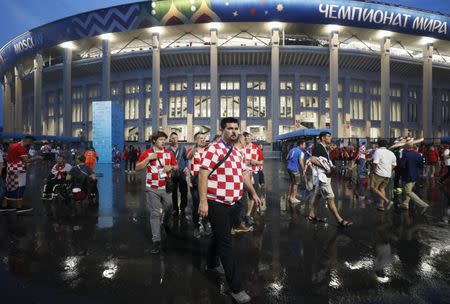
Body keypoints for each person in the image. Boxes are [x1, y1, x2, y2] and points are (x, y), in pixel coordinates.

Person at [198, 117, 262, 304]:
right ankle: (236, 288)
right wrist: (203, 202)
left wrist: (253, 193)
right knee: (226, 243)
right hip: (216, 202)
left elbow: (243, 174)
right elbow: (203, 174)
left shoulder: (237, 152)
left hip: (233, 202)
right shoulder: (214, 149)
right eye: (229, 128)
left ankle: (210, 263)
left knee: (220, 235)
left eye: (236, 128)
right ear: (222, 130)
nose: (234, 131)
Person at [136, 131, 178, 254]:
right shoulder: (147, 153)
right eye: (160, 139)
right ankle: (156, 241)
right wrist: (148, 159)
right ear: (154, 140)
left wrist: (170, 167)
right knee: (155, 213)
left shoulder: (168, 153)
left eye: (164, 139)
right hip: (151, 188)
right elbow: (138, 167)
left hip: (166, 187)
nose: (163, 142)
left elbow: (176, 167)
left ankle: (165, 222)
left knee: (170, 208)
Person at [308, 131, 352, 227]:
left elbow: (324, 161)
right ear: (323, 138)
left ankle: (311, 214)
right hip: (322, 177)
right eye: (328, 136)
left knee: (317, 196)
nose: (330, 138)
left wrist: (331, 167)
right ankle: (340, 220)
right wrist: (326, 168)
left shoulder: (324, 148)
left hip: (323, 177)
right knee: (331, 198)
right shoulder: (318, 147)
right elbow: (312, 159)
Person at [1, 136, 43, 213]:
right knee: (20, 187)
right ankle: (19, 207)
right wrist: (37, 158)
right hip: (18, 171)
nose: (31, 144)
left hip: (10, 169)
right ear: (28, 141)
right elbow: (27, 161)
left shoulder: (12, 145)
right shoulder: (21, 148)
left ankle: (4, 206)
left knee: (9, 188)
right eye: (31, 142)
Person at [187, 132, 209, 238]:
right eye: (200, 138)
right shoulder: (193, 150)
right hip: (195, 181)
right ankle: (196, 226)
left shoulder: (209, 151)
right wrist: (195, 147)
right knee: (196, 204)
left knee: (206, 202)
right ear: (196, 140)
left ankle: (205, 222)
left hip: (207, 181)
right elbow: (188, 157)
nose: (203, 140)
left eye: (204, 138)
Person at [399, 143, 429, 214]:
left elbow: (402, 165)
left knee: (408, 191)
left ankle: (424, 205)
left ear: (406, 148)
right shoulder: (418, 155)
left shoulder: (405, 155)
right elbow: (421, 165)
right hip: (415, 175)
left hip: (407, 175)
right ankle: (405, 204)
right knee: (409, 190)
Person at [242, 131, 264, 226]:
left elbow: (261, 162)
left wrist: (255, 162)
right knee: (241, 196)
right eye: (245, 136)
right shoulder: (240, 148)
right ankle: (241, 216)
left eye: (248, 136)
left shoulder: (256, 148)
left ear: (251, 138)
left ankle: (248, 215)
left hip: (253, 174)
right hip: (242, 174)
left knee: (252, 195)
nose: (246, 138)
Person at [370, 140, 396, 211]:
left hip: (379, 173)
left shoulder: (378, 151)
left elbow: (375, 163)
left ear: (378, 145)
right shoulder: (391, 153)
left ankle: (387, 201)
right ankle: (381, 205)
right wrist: (389, 170)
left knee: (373, 188)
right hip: (387, 174)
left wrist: (373, 171)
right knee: (382, 188)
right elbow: (394, 164)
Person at [168, 132, 188, 217]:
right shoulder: (168, 150)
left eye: (176, 138)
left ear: (178, 138)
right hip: (173, 173)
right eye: (172, 138)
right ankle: (175, 209)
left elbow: (186, 158)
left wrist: (186, 167)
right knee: (174, 192)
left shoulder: (182, 148)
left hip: (182, 172)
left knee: (184, 191)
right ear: (170, 139)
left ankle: (182, 207)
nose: (174, 139)